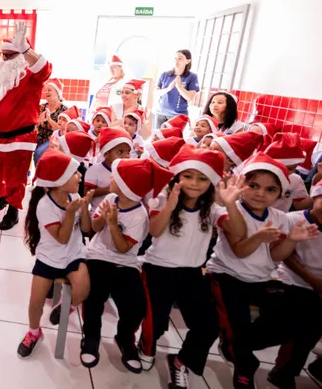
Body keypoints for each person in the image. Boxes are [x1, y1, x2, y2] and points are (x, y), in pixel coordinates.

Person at [139, 146, 248, 388]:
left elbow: (238, 232)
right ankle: (146, 343)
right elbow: (154, 231)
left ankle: (180, 362)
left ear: (211, 182)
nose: (195, 183)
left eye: (202, 178)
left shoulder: (211, 208)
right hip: (158, 269)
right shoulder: (161, 197)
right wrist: (171, 203)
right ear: (176, 176)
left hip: (192, 273)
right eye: (188, 176)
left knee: (208, 325)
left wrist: (231, 204)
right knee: (154, 324)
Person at [207, 152, 318, 388]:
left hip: (261, 279)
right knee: (239, 325)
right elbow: (240, 252)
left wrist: (292, 240)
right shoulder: (230, 210)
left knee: (290, 321)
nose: (260, 193)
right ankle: (245, 368)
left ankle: (236, 344)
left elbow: (276, 255)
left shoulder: (281, 217)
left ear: (280, 194)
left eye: (270, 189)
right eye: (253, 185)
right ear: (241, 183)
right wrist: (258, 236)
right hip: (227, 275)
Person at [81, 158, 174, 372]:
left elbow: (123, 248)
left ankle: (125, 338)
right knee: (94, 295)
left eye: (116, 177)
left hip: (126, 263)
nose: (110, 178)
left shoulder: (139, 215)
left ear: (126, 187)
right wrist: (101, 218)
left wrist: (113, 224)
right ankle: (91, 337)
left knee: (135, 305)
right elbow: (94, 228)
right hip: (98, 256)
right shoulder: (111, 198)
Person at [0, 21, 52, 230]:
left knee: (15, 178)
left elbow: (45, 70)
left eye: (10, 55)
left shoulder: (32, 77)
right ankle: (5, 196)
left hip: (20, 139)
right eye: (3, 55)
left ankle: (13, 211)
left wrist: (26, 50)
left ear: (20, 56)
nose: (4, 59)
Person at [17, 149, 92, 358]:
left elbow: (86, 229)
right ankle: (34, 332)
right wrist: (69, 214)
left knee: (83, 288)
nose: (80, 176)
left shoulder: (74, 195)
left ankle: (65, 308)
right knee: (35, 302)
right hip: (49, 256)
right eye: (74, 173)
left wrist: (83, 208)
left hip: (74, 253)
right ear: (59, 181)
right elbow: (61, 238)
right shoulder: (44, 205)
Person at [268, 180, 322, 387]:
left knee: (312, 328)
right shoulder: (292, 219)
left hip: (317, 285)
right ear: (314, 196)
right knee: (304, 320)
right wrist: (313, 281)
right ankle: (283, 370)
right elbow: (284, 255)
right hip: (292, 280)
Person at [84, 127, 133, 212]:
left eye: (128, 152)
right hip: (98, 214)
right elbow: (87, 193)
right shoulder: (95, 170)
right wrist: (110, 189)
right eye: (120, 152)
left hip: (121, 215)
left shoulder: (129, 171)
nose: (126, 156)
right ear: (106, 153)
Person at [265, 133, 312, 212]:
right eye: (282, 167)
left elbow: (299, 206)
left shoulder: (295, 180)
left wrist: (316, 195)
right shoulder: (258, 175)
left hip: (279, 221)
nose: (285, 172)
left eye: (292, 168)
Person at [153, 50, 199, 129]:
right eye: (175, 58)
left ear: (188, 61)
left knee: (173, 140)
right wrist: (168, 89)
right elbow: (156, 93)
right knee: (158, 139)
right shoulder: (165, 74)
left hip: (178, 115)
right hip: (161, 112)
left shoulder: (192, 77)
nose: (176, 61)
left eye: (180, 58)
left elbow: (190, 97)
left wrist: (179, 87)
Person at [34, 79, 67, 164]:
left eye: (49, 90)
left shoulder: (64, 110)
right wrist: (38, 121)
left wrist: (49, 120)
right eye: (46, 90)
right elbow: (33, 127)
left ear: (57, 92)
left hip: (54, 140)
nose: (47, 92)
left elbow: (62, 130)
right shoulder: (41, 107)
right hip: (39, 139)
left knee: (39, 154)